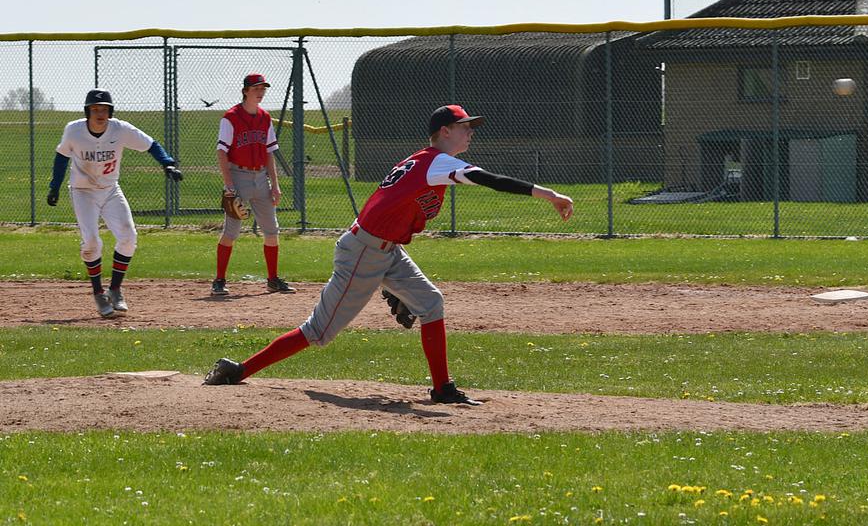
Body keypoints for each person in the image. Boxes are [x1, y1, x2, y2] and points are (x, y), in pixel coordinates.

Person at [203, 104, 574, 404]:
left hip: (384, 249)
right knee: (318, 332)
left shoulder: (427, 161)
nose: (470, 131)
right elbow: (490, 180)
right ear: (444, 132)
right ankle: (237, 370)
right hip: (364, 252)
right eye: (464, 126)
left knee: (431, 302)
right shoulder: (437, 161)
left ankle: (443, 388)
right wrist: (549, 195)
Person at [47, 89, 183, 318]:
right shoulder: (74, 130)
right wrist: (54, 186)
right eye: (95, 109)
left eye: (104, 109)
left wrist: (167, 163)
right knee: (91, 241)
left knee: (129, 237)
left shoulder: (120, 129)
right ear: (87, 111)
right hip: (83, 192)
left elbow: (151, 144)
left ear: (110, 112)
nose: (100, 113)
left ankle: (115, 289)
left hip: (110, 190)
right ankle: (99, 293)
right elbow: (62, 156)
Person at [210, 73, 295, 296]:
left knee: (272, 231)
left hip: (261, 178)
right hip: (238, 176)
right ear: (246, 90)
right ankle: (219, 280)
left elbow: (269, 153)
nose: (261, 92)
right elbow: (221, 152)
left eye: (263, 88)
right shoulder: (231, 117)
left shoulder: (265, 117)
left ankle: (273, 279)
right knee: (231, 232)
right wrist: (229, 185)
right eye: (257, 88)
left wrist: (275, 185)